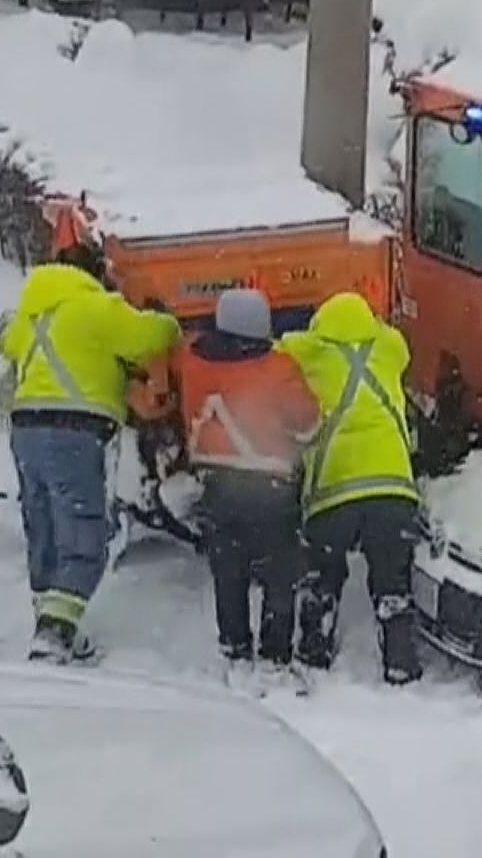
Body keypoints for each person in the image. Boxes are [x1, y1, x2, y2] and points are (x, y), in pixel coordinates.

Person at [0, 242, 181, 664]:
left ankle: (56, 621)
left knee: (42, 526)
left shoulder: (33, 313)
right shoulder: (97, 307)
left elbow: (6, 340)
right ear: (96, 272)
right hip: (73, 429)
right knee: (84, 532)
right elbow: (149, 336)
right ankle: (54, 632)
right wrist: (168, 320)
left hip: (25, 428)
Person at [277, 291, 424, 685]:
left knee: (322, 576)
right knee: (392, 582)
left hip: (334, 490)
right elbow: (398, 343)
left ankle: (314, 650)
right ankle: (400, 661)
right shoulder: (390, 348)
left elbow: (279, 349)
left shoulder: (309, 351)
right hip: (393, 488)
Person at [175, 288, 319, 685]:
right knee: (278, 573)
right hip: (268, 483)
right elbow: (307, 424)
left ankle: (235, 646)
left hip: (214, 484)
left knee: (229, 569)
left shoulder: (192, 362)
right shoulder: (278, 368)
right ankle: (275, 656)